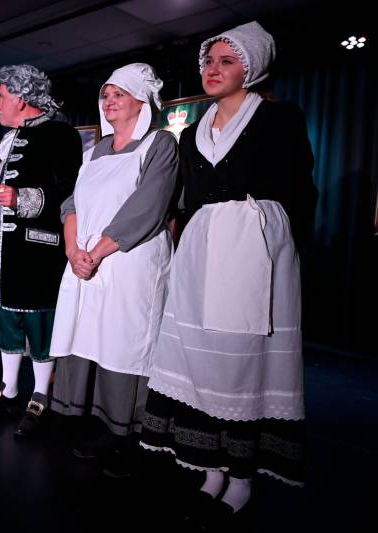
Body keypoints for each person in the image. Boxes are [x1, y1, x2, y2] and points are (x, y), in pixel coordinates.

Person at [138, 21, 317, 527]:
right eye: (208, 62)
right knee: (202, 360)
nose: (212, 70)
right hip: (202, 252)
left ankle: (241, 477)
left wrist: (281, 250)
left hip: (255, 253)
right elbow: (189, 200)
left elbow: (301, 192)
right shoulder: (195, 129)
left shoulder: (279, 118)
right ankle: (211, 467)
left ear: (251, 68)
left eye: (226, 61)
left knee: (243, 363)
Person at [48, 63, 178, 474]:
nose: (109, 101)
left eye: (119, 94)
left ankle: (130, 436)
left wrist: (98, 252)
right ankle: (97, 422)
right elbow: (71, 205)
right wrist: (73, 251)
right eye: (105, 94)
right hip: (86, 262)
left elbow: (148, 207)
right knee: (91, 340)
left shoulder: (159, 144)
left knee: (125, 344)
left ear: (142, 101)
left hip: (128, 261)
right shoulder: (95, 151)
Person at [0, 65, 82, 437]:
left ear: (20, 98)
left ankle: (40, 395)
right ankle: (9, 388)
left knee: (39, 323)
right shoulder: (11, 138)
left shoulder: (61, 134)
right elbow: (4, 191)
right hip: (5, 251)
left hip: (39, 250)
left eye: (2, 96)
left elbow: (69, 191)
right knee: (8, 321)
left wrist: (23, 199)